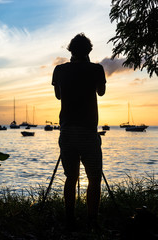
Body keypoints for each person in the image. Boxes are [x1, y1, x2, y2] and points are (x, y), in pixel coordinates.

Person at [52, 33, 106, 231]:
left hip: (67, 131)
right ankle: (92, 221)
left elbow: (58, 96)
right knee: (94, 178)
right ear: (89, 51)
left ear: (70, 51)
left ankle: (70, 220)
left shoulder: (59, 70)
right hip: (88, 132)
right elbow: (101, 92)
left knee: (71, 177)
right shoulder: (96, 69)